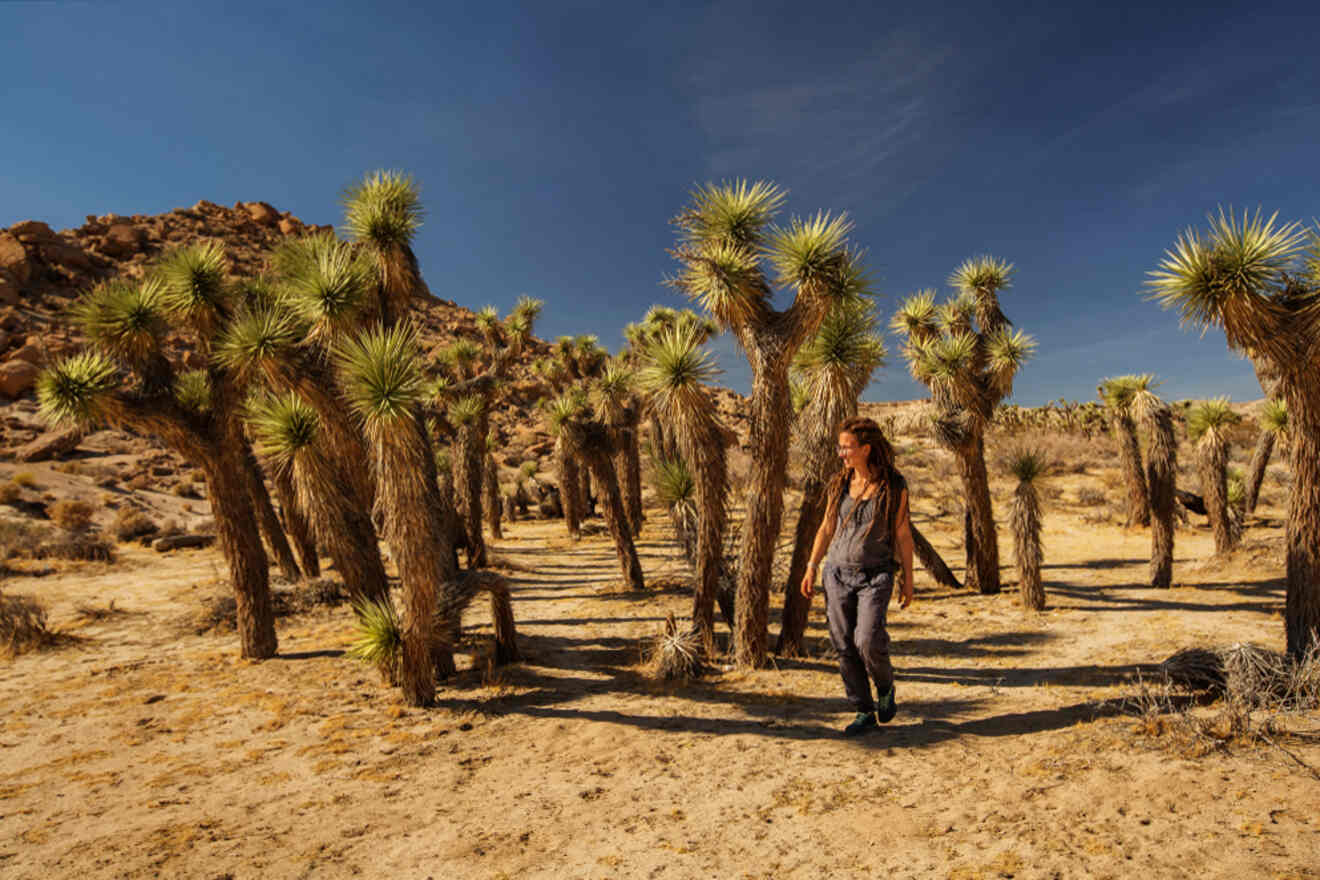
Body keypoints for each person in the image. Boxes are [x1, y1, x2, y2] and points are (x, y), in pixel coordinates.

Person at [800, 416, 914, 736]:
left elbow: (903, 534)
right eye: (840, 447)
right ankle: (863, 710)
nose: (841, 453)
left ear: (865, 449)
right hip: (837, 572)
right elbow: (826, 528)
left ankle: (885, 687)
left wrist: (909, 578)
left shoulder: (893, 486)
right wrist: (811, 565)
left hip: (875, 574)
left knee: (866, 639)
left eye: (847, 447)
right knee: (843, 644)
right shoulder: (839, 484)